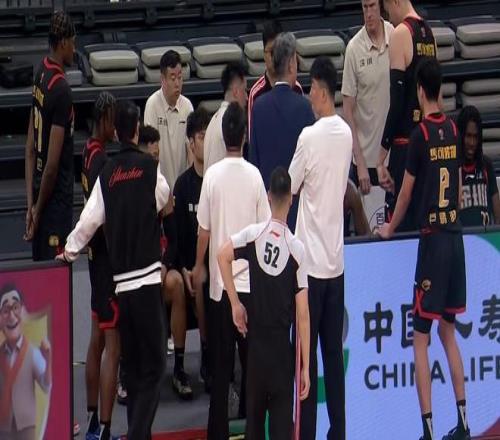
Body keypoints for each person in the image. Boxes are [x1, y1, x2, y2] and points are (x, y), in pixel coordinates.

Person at [58, 100, 169, 440]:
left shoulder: (107, 175)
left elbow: (87, 221)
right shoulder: (150, 168)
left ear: (117, 133)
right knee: (155, 367)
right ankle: (137, 433)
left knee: (132, 371)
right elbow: (164, 198)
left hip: (121, 288)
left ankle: (139, 433)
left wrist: (68, 251)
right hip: (148, 282)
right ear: (135, 132)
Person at [379, 58, 470, 440]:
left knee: (421, 337)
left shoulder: (421, 135)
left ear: (419, 90)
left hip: (433, 241)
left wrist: (390, 228)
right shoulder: (453, 128)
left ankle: (428, 429)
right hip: (456, 236)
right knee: (449, 333)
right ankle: (464, 423)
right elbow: (459, 185)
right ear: (441, 88)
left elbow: (405, 194)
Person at [192, 103, 271, 439]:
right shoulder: (255, 176)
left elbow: (204, 231)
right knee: (252, 368)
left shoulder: (211, 176)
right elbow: (265, 231)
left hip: (220, 290)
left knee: (221, 371)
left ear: (223, 135)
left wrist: (198, 265)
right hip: (250, 287)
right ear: (244, 135)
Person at [218, 167, 311, 440]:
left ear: (269, 196)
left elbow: (222, 255)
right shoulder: (297, 250)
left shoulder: (253, 235)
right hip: (282, 355)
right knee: (282, 431)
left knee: (254, 429)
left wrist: (235, 303)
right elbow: (303, 315)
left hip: (256, 352)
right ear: (291, 199)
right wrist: (305, 366)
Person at [288, 56, 352, 440]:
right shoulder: (345, 134)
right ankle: (338, 432)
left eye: (311, 88)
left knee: (305, 359)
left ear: (321, 91)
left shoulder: (308, 138)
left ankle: (307, 434)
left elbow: (290, 185)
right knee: (333, 356)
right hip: (336, 263)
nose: (308, 95)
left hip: (309, 267)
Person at [376, 0, 436, 232]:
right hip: (428, 141)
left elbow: (397, 103)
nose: (388, 18)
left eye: (387, 10)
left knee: (399, 225)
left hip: (406, 146)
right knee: (424, 223)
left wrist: (382, 155)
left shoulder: (401, 33)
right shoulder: (429, 33)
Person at [81, 92, 120, 440]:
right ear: (105, 118)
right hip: (106, 262)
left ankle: (93, 420)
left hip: (93, 260)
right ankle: (105, 428)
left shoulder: (88, 151)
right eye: (114, 117)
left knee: (96, 338)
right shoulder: (102, 162)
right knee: (112, 345)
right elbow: (104, 218)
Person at [250, 32, 315, 230]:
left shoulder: (258, 107)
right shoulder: (304, 107)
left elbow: (254, 162)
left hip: (266, 209)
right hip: (297, 210)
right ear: (291, 64)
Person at [24, 10, 76, 260]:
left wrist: (31, 206)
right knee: (55, 276)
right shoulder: (61, 89)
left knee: (39, 273)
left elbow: (30, 147)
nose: (74, 49)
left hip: (39, 194)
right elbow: (52, 166)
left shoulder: (40, 71)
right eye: (73, 42)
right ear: (63, 42)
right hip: (55, 204)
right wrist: (37, 210)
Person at [173, 108, 211, 388]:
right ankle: (186, 364)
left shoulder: (216, 181)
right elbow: (176, 237)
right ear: (191, 142)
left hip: (214, 267)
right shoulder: (182, 185)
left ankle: (212, 356)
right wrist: (185, 269)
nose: (206, 142)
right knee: (198, 279)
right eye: (201, 136)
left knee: (206, 278)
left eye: (209, 135)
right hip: (189, 267)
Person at [342, 0, 393, 195]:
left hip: (394, 155)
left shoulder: (396, 36)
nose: (369, 13)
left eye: (372, 6)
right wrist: (360, 162)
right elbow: (347, 109)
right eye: (365, 7)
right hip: (367, 162)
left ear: (381, 7)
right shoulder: (354, 49)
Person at [0, 286, 52, 440]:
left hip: (26, 428)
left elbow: (46, 385)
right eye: (5, 310)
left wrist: (48, 358)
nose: (11, 316)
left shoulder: (32, 353)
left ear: (23, 311)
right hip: (3, 428)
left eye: (15, 307)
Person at [144, 50, 194, 189]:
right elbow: (151, 151)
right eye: (173, 78)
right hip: (159, 188)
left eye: (180, 77)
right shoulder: (152, 104)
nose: (177, 83)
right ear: (163, 79)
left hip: (182, 188)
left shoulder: (187, 106)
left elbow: (191, 150)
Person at [247, 20, 303, 138]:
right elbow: (253, 137)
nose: (274, 57)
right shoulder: (255, 94)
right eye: (271, 52)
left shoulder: (296, 88)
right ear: (264, 54)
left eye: (277, 51)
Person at [456, 106, 500, 226]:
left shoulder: (486, 165)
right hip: (460, 236)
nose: (472, 143)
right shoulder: (452, 168)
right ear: (460, 135)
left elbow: (498, 218)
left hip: (484, 236)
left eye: (475, 137)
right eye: (468, 136)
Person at [204, 61, 248, 173]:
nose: (247, 97)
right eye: (244, 90)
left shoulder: (213, 120)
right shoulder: (232, 123)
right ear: (236, 92)